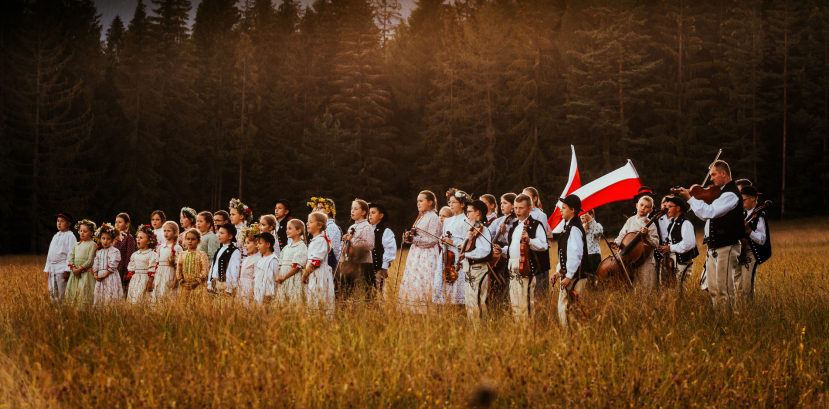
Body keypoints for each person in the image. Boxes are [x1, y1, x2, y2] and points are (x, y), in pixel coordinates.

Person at [676, 160, 744, 310]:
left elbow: (709, 212)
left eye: (713, 174)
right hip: (715, 247)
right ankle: (720, 319)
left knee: (724, 289)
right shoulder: (721, 194)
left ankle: (728, 321)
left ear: (723, 173)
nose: (711, 178)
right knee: (714, 289)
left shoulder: (731, 195)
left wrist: (690, 198)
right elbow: (704, 215)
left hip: (726, 246)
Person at [501, 194, 549, 323]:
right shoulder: (514, 226)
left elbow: (544, 245)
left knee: (525, 300)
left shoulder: (535, 225)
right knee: (515, 299)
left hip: (526, 266)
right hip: (512, 265)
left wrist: (530, 240)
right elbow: (513, 247)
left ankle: (527, 328)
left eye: (521, 208)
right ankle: (518, 327)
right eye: (515, 208)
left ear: (529, 209)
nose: (517, 211)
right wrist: (501, 250)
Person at [398, 191, 443, 314]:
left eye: (421, 200)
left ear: (430, 202)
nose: (418, 203)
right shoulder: (421, 216)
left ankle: (425, 310)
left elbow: (433, 240)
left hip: (427, 255)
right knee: (414, 280)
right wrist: (409, 238)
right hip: (416, 254)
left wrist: (414, 239)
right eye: (417, 201)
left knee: (423, 280)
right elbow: (417, 235)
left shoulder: (433, 217)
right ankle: (413, 310)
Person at [551, 194, 588, 328]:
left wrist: (568, 276)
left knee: (570, 308)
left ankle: (571, 337)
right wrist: (557, 271)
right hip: (569, 274)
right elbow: (564, 254)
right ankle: (567, 335)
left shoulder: (575, 228)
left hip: (576, 276)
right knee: (565, 306)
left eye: (564, 208)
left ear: (572, 210)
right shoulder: (568, 226)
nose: (561, 210)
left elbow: (575, 254)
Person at [611, 196, 659, 289]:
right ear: (637, 205)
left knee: (644, 288)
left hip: (646, 261)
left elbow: (656, 243)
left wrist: (647, 236)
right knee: (630, 287)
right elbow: (622, 236)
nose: (643, 208)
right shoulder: (630, 220)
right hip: (630, 259)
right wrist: (616, 243)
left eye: (646, 207)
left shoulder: (651, 224)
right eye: (641, 205)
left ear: (650, 211)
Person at [459, 200, 493, 322]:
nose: (467, 215)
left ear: (478, 212)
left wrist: (466, 254)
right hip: (471, 268)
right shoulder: (473, 229)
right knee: (470, 301)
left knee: (477, 301)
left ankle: (479, 330)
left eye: (469, 212)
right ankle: (474, 328)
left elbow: (484, 250)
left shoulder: (482, 229)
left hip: (478, 268)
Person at [435, 188, 470, 308]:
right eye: (450, 202)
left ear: (462, 204)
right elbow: (443, 237)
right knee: (443, 281)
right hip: (446, 256)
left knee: (457, 282)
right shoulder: (447, 221)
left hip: (457, 257)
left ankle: (458, 307)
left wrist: (452, 242)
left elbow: (467, 241)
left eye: (454, 202)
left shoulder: (466, 220)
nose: (451, 204)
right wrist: (442, 241)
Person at [655, 196, 698, 289]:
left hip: (682, 261)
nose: (667, 208)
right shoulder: (673, 223)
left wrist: (670, 248)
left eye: (670, 206)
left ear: (678, 208)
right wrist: (664, 249)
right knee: (674, 289)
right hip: (675, 261)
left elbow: (689, 244)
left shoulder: (685, 223)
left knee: (680, 289)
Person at [737, 185, 771, 300]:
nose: (742, 203)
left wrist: (749, 230)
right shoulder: (744, 215)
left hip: (751, 253)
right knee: (739, 286)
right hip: (741, 252)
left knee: (747, 286)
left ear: (752, 198)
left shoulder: (759, 216)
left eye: (744, 200)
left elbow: (762, 240)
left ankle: (748, 311)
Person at [340, 199, 376, 301]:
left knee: (363, 295)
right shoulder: (352, 226)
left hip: (363, 264)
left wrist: (352, 240)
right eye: (352, 208)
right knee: (347, 294)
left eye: (356, 209)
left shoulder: (367, 226)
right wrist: (344, 242)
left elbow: (370, 245)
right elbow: (348, 247)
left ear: (363, 212)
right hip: (351, 264)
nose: (352, 211)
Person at [489, 193, 518, 310]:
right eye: (501, 203)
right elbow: (488, 235)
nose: (502, 206)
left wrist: (504, 233)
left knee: (506, 282)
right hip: (496, 254)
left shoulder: (517, 222)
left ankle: (507, 306)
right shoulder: (498, 221)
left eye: (505, 203)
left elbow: (514, 243)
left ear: (513, 206)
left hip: (507, 255)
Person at [303, 212, 336, 317]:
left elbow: (316, 262)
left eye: (311, 222)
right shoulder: (315, 240)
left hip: (319, 274)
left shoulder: (321, 241)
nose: (307, 224)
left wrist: (305, 274)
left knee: (320, 298)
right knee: (313, 298)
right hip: (314, 274)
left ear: (319, 225)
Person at [522, 187, 552, 298]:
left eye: (528, 196)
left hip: (538, 250)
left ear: (534, 199)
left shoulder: (540, 215)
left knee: (539, 285)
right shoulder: (522, 212)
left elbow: (540, 235)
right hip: (526, 250)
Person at [44, 212, 76, 303]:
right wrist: (48, 268)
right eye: (58, 221)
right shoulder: (55, 236)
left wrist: (67, 270)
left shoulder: (70, 236)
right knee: (52, 292)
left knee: (62, 293)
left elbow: (71, 253)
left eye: (62, 221)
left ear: (69, 224)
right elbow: (50, 253)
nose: (59, 223)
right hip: (53, 268)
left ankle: (63, 310)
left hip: (62, 268)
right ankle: (55, 311)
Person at [65, 219, 98, 308]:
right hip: (75, 273)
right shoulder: (76, 244)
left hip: (85, 273)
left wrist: (80, 269)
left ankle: (84, 311)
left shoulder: (92, 245)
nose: (82, 233)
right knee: (73, 292)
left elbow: (90, 260)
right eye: (81, 231)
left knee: (83, 292)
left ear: (91, 233)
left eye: (85, 231)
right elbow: (71, 257)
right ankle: (72, 311)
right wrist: (74, 269)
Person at [276, 219, 308, 306]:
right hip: (283, 279)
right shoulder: (286, 247)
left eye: (290, 228)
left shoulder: (301, 246)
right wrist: (279, 276)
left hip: (293, 278)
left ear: (298, 231)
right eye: (286, 228)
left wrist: (285, 276)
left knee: (293, 302)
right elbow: (280, 264)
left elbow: (297, 267)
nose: (287, 231)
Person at [125, 225, 159, 304]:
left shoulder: (152, 254)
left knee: (144, 299)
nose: (138, 239)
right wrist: (131, 281)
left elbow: (152, 269)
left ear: (148, 241)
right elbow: (131, 269)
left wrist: (150, 283)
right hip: (135, 280)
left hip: (145, 279)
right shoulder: (135, 254)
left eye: (141, 238)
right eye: (138, 237)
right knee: (134, 299)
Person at [92, 223, 123, 306]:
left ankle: (110, 310)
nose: (105, 241)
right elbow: (96, 263)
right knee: (100, 295)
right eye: (103, 238)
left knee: (110, 293)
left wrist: (105, 274)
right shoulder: (99, 252)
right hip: (100, 276)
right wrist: (95, 274)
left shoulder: (115, 251)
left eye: (108, 239)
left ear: (113, 240)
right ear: (100, 239)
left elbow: (113, 263)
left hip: (110, 276)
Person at [368, 202, 396, 296]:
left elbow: (389, 250)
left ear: (381, 215)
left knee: (378, 293)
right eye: (369, 213)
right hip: (367, 268)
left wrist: (384, 267)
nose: (370, 215)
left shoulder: (386, 231)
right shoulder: (367, 230)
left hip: (378, 269)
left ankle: (379, 310)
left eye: (373, 212)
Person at [206, 224, 241, 296]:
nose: (218, 235)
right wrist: (209, 283)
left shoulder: (234, 251)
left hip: (224, 285)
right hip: (214, 283)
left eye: (222, 233)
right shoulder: (219, 250)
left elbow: (234, 270)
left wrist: (230, 288)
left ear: (230, 236)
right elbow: (213, 267)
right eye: (219, 232)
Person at [152, 221, 183, 303]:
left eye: (169, 231)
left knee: (168, 295)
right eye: (164, 231)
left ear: (175, 233)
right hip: (160, 274)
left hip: (170, 274)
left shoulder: (177, 248)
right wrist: (154, 279)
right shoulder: (161, 247)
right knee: (158, 295)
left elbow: (179, 266)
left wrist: (175, 280)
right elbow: (157, 264)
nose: (166, 233)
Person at [308, 197, 341, 270]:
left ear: (328, 210)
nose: (317, 210)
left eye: (320, 208)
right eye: (316, 208)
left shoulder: (331, 227)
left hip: (328, 262)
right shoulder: (318, 227)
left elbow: (335, 249)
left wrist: (338, 266)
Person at [175, 228, 210, 296]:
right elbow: (178, 269)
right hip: (184, 286)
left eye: (193, 239)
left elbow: (205, 270)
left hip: (198, 286)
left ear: (198, 241)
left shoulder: (201, 254)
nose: (190, 241)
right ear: (185, 240)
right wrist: (182, 282)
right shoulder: (182, 254)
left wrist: (197, 281)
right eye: (188, 239)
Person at [253, 233, 279, 305]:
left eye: (260, 243)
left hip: (265, 299)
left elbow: (271, 281)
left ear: (268, 244)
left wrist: (267, 299)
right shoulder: (262, 259)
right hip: (258, 296)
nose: (257, 245)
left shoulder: (272, 260)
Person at [237, 225, 262, 300]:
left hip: (250, 290)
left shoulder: (258, 259)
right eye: (245, 243)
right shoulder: (246, 259)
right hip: (242, 288)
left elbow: (257, 279)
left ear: (256, 244)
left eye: (248, 243)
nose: (245, 246)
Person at [114, 212, 135, 289]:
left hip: (122, 267)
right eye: (116, 222)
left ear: (127, 224)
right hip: (114, 266)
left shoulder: (129, 238)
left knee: (122, 289)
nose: (117, 224)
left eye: (120, 222)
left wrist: (126, 271)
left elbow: (129, 255)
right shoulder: (114, 237)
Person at [580, 209, 603, 275]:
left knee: (596, 275)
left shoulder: (596, 225)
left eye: (584, 214)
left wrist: (591, 220)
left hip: (594, 254)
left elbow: (599, 231)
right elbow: (578, 239)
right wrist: (584, 229)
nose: (582, 215)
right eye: (581, 214)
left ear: (591, 215)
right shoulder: (581, 227)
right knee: (586, 276)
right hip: (584, 255)